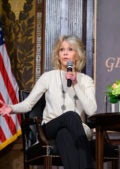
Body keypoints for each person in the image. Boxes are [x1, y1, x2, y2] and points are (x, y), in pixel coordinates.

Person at [0, 35, 97, 169]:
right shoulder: (48, 77)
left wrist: (75, 84)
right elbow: (28, 104)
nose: (65, 53)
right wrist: (11, 108)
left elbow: (91, 110)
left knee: (64, 135)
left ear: (78, 55)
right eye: (61, 50)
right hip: (50, 126)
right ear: (58, 55)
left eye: (70, 49)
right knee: (71, 116)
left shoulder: (86, 81)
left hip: (78, 129)